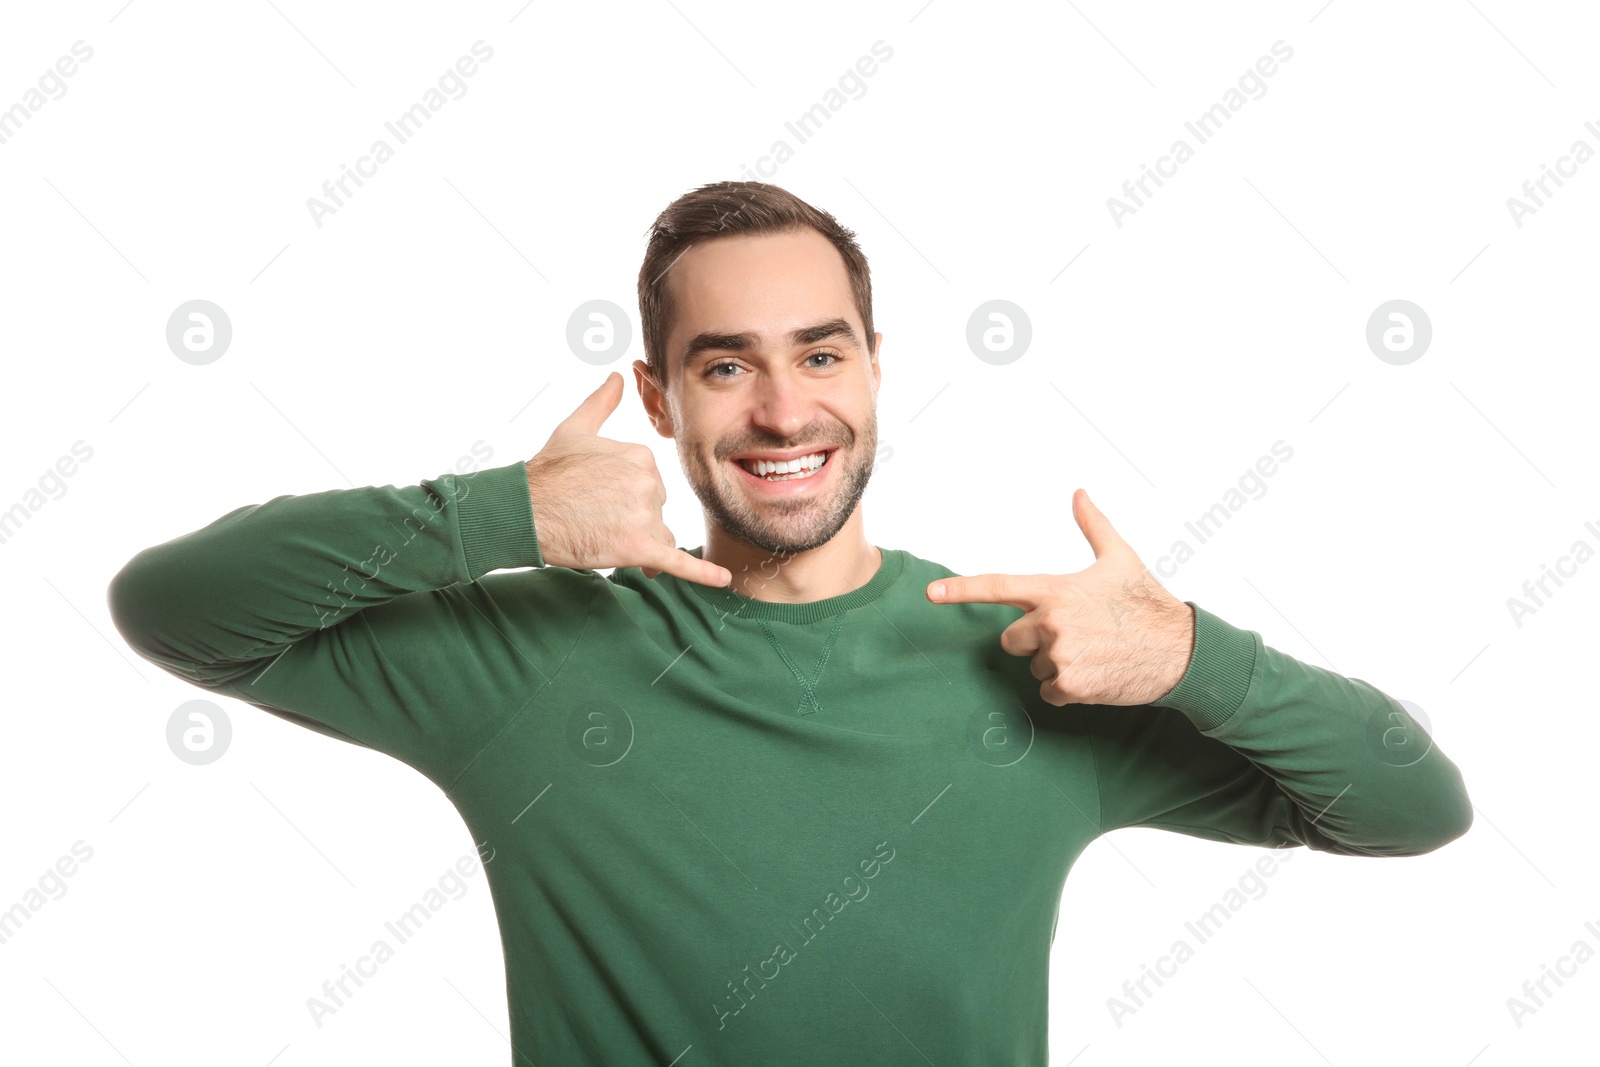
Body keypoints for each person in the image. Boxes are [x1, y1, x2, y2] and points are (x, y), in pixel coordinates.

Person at [108, 180, 1472, 1065]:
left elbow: (1412, 805)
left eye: (820, 354)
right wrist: (501, 517)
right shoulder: (529, 658)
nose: (781, 411)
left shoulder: (1032, 664)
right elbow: (173, 610)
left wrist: (1189, 656)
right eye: (725, 366)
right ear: (657, 398)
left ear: (875, 371)